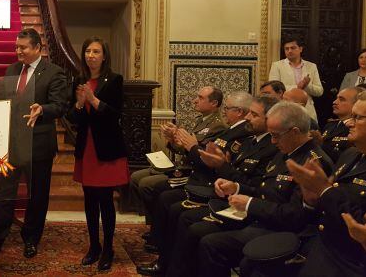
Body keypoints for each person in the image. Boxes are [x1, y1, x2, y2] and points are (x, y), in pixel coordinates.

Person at [197, 101, 334, 277]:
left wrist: (250, 204)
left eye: (276, 136)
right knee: (202, 231)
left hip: (285, 231)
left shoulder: (313, 163)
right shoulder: (286, 151)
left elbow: (295, 216)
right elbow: (265, 190)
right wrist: (236, 188)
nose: (273, 141)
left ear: (295, 132)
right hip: (263, 219)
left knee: (210, 243)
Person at [137, 91, 254, 275]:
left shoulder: (226, 129)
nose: (224, 112)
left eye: (228, 108)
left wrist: (191, 146)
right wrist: (176, 140)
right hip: (201, 177)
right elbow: (196, 153)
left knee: (171, 203)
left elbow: (205, 160)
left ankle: (167, 258)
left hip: (208, 184)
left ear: (239, 111)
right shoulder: (213, 124)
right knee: (161, 194)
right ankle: (161, 249)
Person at [0, 28, 69, 262]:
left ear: (38, 48)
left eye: (23, 47)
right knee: (4, 194)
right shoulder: (11, 70)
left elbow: (60, 105)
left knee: (37, 196)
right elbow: (2, 101)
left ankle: (31, 239)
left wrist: (43, 109)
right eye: (16, 47)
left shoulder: (54, 73)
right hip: (11, 146)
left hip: (38, 146)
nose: (18, 51)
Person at [285, 89, 366, 277]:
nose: (349, 123)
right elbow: (323, 211)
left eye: (357, 118)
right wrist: (311, 201)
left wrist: (324, 190)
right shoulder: (350, 154)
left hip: (354, 263)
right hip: (321, 248)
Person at [67, 37, 128, 271]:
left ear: (104, 56)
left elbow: (115, 115)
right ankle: (94, 246)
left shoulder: (114, 80)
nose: (91, 55)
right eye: (87, 51)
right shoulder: (80, 80)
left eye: (96, 51)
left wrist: (94, 100)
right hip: (87, 149)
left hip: (106, 148)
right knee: (90, 200)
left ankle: (108, 248)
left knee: (105, 201)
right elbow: (74, 120)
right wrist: (80, 105)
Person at [130, 87, 225, 230]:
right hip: (183, 165)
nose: (195, 101)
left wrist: (181, 141)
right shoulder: (201, 120)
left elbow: (198, 154)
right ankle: (154, 222)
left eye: (200, 98)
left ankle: (157, 226)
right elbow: (184, 148)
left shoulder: (218, 126)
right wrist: (172, 139)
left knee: (146, 183)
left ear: (214, 103)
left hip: (191, 171)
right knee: (135, 177)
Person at [268, 37, 323, 122]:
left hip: (307, 110)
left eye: (293, 48)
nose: (289, 51)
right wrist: (297, 87)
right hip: (285, 109)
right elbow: (274, 88)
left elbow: (319, 91)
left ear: (300, 49)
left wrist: (307, 86)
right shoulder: (277, 66)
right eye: (286, 49)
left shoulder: (311, 66)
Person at [314, 86, 364, 162]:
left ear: (356, 104)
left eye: (341, 99)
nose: (334, 102)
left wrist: (320, 145)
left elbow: (346, 159)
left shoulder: (357, 129)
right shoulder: (330, 125)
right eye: (336, 98)